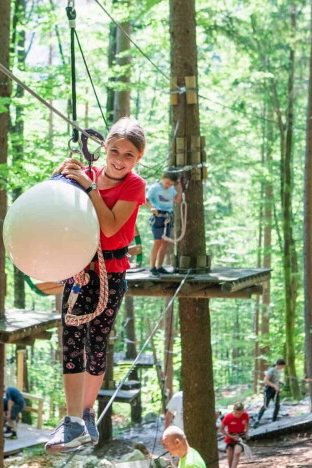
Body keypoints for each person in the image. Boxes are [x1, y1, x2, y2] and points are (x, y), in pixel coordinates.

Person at [44, 117, 147, 454]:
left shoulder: (134, 186)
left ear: (138, 158)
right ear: (105, 148)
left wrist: (89, 189)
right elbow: (56, 208)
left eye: (128, 155)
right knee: (71, 340)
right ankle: (72, 419)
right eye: (114, 151)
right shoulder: (86, 176)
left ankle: (87, 412)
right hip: (78, 269)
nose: (119, 160)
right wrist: (63, 177)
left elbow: (111, 226)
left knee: (95, 341)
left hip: (111, 273)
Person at [145, 172, 182, 275]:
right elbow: (145, 199)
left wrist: (179, 190)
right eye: (167, 182)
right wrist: (151, 208)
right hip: (158, 216)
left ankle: (160, 266)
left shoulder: (172, 189)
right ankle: (152, 267)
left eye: (171, 184)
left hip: (168, 216)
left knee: (165, 242)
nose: (168, 185)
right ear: (163, 178)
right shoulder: (155, 188)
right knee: (157, 242)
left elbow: (177, 200)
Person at [253, 358, 286, 428]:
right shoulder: (271, 370)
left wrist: (280, 382)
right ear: (279, 365)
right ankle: (257, 420)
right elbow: (266, 380)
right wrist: (274, 386)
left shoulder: (278, 371)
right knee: (265, 406)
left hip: (275, 391)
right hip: (268, 390)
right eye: (283, 366)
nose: (283, 368)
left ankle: (273, 420)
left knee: (277, 405)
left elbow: (275, 380)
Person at [220, 402, 250, 468]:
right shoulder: (228, 417)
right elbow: (221, 429)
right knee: (230, 460)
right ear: (233, 410)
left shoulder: (245, 415)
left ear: (243, 411)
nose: (238, 415)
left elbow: (247, 423)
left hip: (241, 437)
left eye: (240, 413)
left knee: (237, 452)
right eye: (236, 413)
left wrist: (247, 432)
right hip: (230, 438)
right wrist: (231, 436)